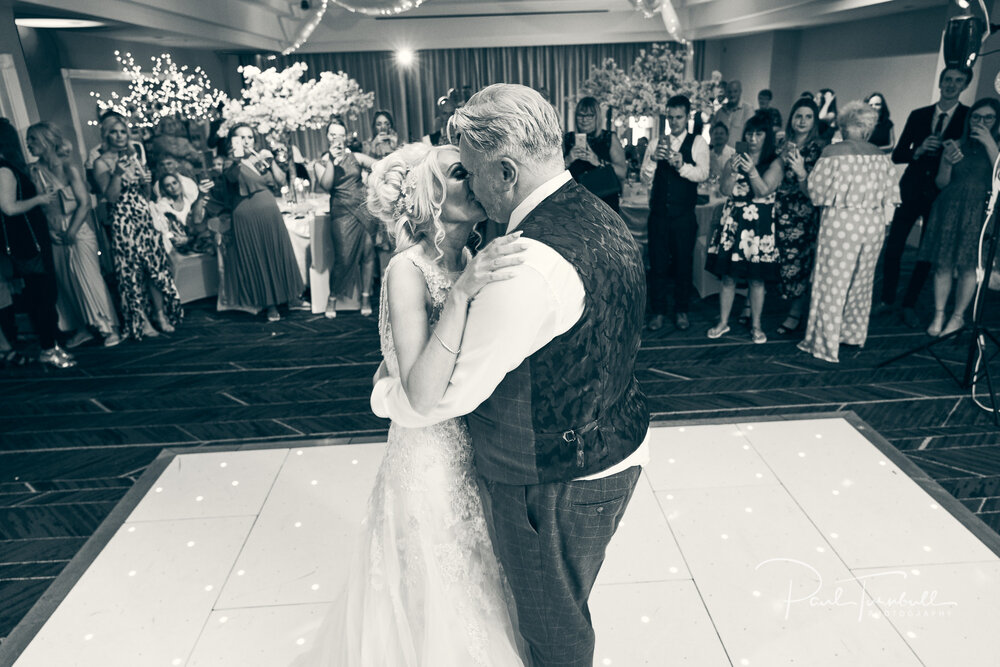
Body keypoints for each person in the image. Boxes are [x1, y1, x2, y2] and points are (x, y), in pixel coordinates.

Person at [372, 83, 650, 667]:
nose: (470, 186)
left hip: (553, 477)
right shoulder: (596, 213)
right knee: (529, 606)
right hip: (607, 442)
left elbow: (438, 398)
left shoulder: (525, 262)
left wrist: (386, 394)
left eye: (470, 173)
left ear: (503, 171)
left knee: (554, 630)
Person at [314, 142, 529, 665]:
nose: (474, 180)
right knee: (435, 581)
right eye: (460, 173)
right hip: (429, 454)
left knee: (477, 575)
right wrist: (460, 296)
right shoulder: (405, 271)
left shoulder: (469, 259)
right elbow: (417, 388)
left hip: (474, 447)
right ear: (428, 196)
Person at [798, 102, 900, 363]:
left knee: (831, 283)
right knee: (862, 281)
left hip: (842, 223)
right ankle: (851, 334)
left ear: (844, 127)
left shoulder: (832, 152)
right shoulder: (880, 155)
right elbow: (891, 197)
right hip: (873, 225)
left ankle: (823, 343)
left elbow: (816, 194)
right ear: (868, 129)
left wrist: (801, 174)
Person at [879, 67, 971, 326]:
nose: (952, 85)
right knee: (895, 245)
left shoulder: (966, 117)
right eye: (948, 80)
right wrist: (918, 150)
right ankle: (886, 299)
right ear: (941, 83)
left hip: (942, 193)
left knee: (926, 252)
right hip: (910, 188)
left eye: (958, 81)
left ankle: (909, 303)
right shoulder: (919, 115)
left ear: (964, 86)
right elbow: (898, 155)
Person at [26, 122, 121, 348]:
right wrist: (50, 232)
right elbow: (37, 209)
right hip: (51, 232)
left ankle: (108, 327)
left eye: (33, 140)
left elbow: (84, 203)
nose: (28, 144)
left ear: (47, 142)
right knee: (66, 282)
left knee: (88, 279)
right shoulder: (33, 171)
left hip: (77, 229)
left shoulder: (69, 169)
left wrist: (71, 231)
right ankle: (83, 327)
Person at [93, 115, 182, 340]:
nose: (120, 136)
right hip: (123, 219)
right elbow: (111, 197)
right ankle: (140, 320)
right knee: (132, 273)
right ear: (106, 135)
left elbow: (146, 195)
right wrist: (117, 174)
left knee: (154, 267)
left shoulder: (135, 156)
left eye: (123, 132)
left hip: (143, 216)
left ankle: (160, 315)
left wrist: (146, 182)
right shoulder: (101, 162)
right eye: (114, 132)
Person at [0, 118, 76, 368]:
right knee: (42, 296)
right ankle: (48, 348)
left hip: (33, 240)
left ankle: (52, 346)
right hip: (27, 243)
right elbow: (9, 208)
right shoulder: (4, 170)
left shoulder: (10, 167)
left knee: (45, 295)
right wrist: (40, 199)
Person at [921, 98, 999, 338]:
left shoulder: (996, 148)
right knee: (943, 264)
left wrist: (990, 145)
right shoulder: (957, 145)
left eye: (988, 118)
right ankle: (939, 313)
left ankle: (958, 316)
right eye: (976, 117)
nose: (981, 122)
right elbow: (941, 183)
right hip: (949, 209)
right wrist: (945, 162)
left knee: (968, 266)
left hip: (980, 213)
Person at [705, 112, 784, 344]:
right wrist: (732, 171)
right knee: (728, 277)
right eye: (749, 133)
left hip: (758, 226)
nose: (752, 138)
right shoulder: (735, 157)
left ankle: (757, 326)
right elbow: (725, 190)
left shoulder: (775, 162)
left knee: (757, 280)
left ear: (766, 136)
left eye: (758, 133)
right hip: (734, 221)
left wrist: (751, 172)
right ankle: (722, 322)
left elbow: (763, 190)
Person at [217, 123, 305, 322]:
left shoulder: (259, 158)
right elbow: (231, 179)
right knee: (259, 257)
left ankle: (291, 296)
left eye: (249, 137)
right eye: (241, 137)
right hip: (246, 217)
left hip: (270, 213)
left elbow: (281, 182)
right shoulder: (230, 163)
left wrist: (271, 161)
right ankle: (270, 304)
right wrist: (236, 159)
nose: (247, 141)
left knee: (279, 252)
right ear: (233, 141)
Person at [640, 94, 710, 331]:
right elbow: (644, 178)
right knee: (658, 265)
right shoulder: (655, 143)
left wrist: (682, 166)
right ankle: (657, 311)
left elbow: (703, 174)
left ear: (687, 117)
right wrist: (651, 160)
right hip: (658, 214)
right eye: (670, 117)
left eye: (679, 117)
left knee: (683, 264)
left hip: (684, 216)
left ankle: (682, 310)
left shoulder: (698, 143)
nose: (674, 122)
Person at [773, 98, 828, 336]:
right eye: (798, 116)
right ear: (791, 119)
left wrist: (802, 172)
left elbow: (817, 193)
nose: (802, 121)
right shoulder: (782, 144)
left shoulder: (820, 149)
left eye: (808, 117)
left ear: (814, 121)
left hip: (803, 215)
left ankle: (795, 313)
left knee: (799, 264)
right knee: (776, 260)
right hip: (777, 210)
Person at [316, 120, 378, 318]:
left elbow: (379, 166)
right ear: (327, 137)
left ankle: (366, 297)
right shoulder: (322, 162)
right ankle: (332, 297)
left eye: (341, 135)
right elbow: (326, 185)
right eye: (333, 135)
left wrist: (373, 184)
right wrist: (333, 162)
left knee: (368, 254)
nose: (337, 139)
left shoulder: (356, 156)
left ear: (346, 137)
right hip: (341, 213)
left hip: (364, 210)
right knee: (343, 257)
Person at [563, 96, 627, 212]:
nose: (584, 119)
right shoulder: (568, 139)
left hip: (605, 204)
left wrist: (598, 161)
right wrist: (568, 159)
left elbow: (622, 172)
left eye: (589, 115)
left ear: (597, 117)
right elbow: (553, 174)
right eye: (580, 115)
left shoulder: (609, 138)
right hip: (574, 206)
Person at [151, 172, 213, 255]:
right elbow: (165, 232)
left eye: (174, 183)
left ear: (179, 183)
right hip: (177, 247)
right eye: (168, 185)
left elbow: (198, 221)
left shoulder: (190, 200)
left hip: (195, 240)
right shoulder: (162, 206)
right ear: (164, 189)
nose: (173, 187)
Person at [713, 80, 755, 148]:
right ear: (726, 93)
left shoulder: (748, 110)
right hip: (720, 154)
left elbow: (750, 133)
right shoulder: (720, 112)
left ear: (740, 92)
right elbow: (712, 132)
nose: (732, 95)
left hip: (739, 153)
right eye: (729, 92)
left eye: (735, 91)